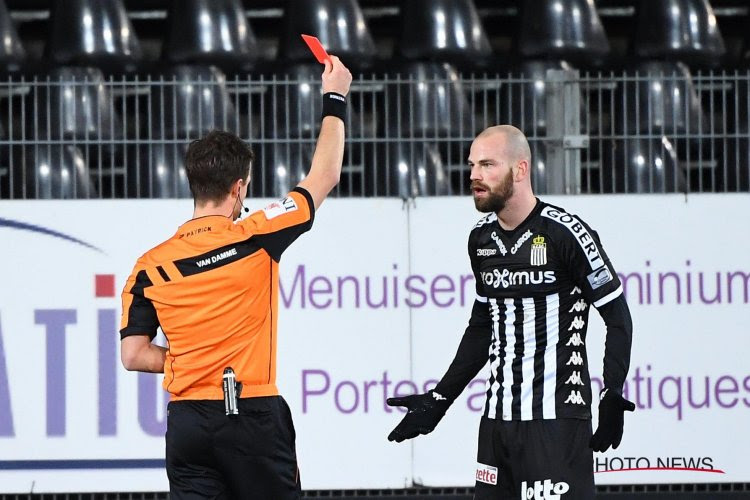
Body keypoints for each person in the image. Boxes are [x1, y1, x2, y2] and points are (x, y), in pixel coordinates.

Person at [118, 56, 352, 499]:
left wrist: (189, 362)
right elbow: (325, 175)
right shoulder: (258, 235)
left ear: (193, 183)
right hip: (251, 417)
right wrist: (335, 96)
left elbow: (132, 355)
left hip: (187, 422)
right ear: (239, 187)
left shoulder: (150, 266)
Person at [387, 125, 634, 499]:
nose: (474, 175)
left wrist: (611, 393)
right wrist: (440, 399)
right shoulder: (481, 239)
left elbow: (618, 318)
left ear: (520, 170)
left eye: (487, 164)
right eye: (472, 165)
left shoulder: (566, 233)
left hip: (556, 421)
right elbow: (482, 326)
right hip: (498, 422)